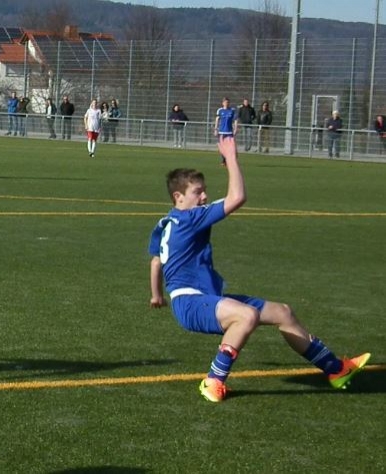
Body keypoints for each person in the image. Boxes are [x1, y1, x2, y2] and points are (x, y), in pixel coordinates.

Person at [148, 135, 370, 403]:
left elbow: (156, 261)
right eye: (198, 192)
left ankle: (336, 369)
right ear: (178, 196)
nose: (204, 196)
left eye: (204, 190)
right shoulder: (190, 218)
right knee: (247, 316)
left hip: (197, 299)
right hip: (191, 302)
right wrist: (232, 157)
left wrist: (157, 295)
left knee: (282, 312)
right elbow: (237, 197)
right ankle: (214, 380)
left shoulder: (166, 223)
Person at [214, 97, 237, 165]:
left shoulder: (232, 110)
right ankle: (224, 160)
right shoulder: (220, 110)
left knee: (230, 147)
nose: (226, 103)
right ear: (223, 103)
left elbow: (235, 120)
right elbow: (217, 120)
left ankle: (228, 159)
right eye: (225, 102)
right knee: (222, 147)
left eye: (227, 102)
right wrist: (215, 129)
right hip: (221, 131)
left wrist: (235, 129)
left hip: (229, 132)